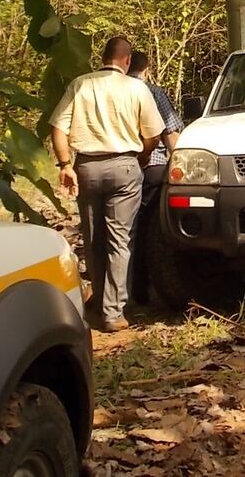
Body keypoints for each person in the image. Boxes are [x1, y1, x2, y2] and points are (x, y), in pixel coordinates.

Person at [49, 37, 164, 332]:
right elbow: (152, 135)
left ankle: (99, 302)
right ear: (127, 61)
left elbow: (57, 126)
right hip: (125, 164)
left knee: (93, 237)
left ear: (103, 57)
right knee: (120, 239)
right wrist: (143, 153)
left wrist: (64, 164)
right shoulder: (137, 88)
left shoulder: (81, 84)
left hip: (87, 165)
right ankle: (113, 312)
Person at [127, 51, 184, 304]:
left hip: (119, 164)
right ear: (146, 69)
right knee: (148, 228)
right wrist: (180, 162)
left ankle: (122, 290)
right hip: (153, 166)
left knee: (120, 229)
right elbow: (170, 134)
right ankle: (142, 289)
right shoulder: (152, 92)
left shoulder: (112, 91)